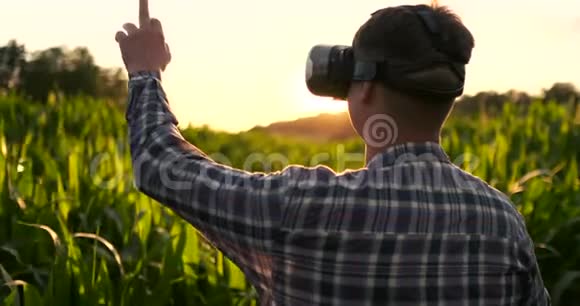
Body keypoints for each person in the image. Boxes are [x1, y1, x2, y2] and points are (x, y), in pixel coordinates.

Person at [115, 1, 550, 305]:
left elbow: (160, 164)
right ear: (449, 98)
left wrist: (145, 73)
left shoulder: (302, 206)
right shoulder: (501, 223)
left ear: (362, 87)